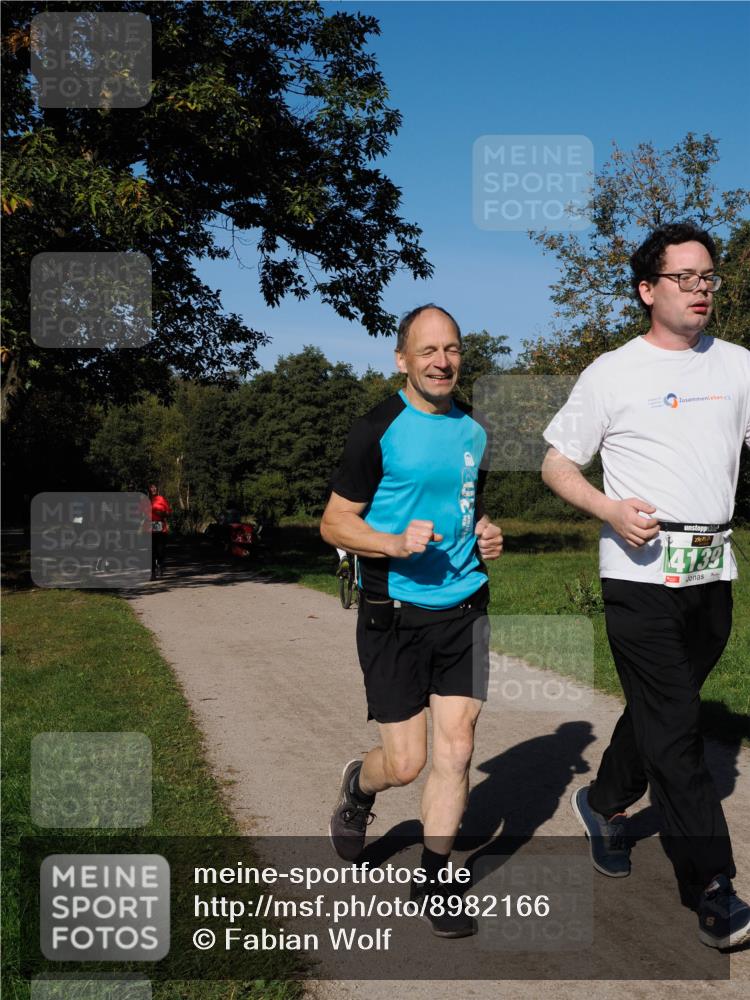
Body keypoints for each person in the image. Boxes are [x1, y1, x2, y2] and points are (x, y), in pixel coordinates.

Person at [541, 222, 750, 949]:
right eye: (684, 278)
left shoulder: (739, 365)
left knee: (665, 709)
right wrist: (607, 509)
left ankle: (603, 803)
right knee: (679, 729)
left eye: (708, 276)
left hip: (712, 573)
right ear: (646, 290)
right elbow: (557, 463)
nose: (700, 289)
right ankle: (713, 886)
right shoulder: (612, 372)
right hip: (638, 575)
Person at [320, 304, 503, 938]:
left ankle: (434, 878)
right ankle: (359, 787)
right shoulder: (377, 429)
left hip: (465, 606)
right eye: (428, 350)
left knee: (458, 749)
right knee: (405, 764)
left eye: (451, 349)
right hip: (393, 612)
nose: (441, 361)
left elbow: (468, 506)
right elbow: (334, 523)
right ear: (403, 359)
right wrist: (392, 543)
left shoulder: (476, 430)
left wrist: (486, 532)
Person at [147, 483, 172, 580]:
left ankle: (160, 565)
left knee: (160, 550)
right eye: (151, 488)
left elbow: (169, 512)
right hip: (149, 527)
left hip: (160, 526)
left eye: (154, 487)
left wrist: (162, 514)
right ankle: (152, 573)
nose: (153, 489)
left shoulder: (161, 499)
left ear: (157, 489)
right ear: (149, 490)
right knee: (151, 551)